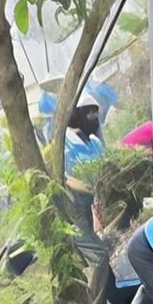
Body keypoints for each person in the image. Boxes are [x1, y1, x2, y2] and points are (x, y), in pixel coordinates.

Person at [63, 95, 106, 234]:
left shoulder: (95, 142)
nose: (94, 117)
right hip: (79, 205)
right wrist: (85, 188)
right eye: (90, 113)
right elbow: (65, 178)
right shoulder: (66, 144)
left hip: (100, 200)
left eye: (95, 113)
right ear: (78, 115)